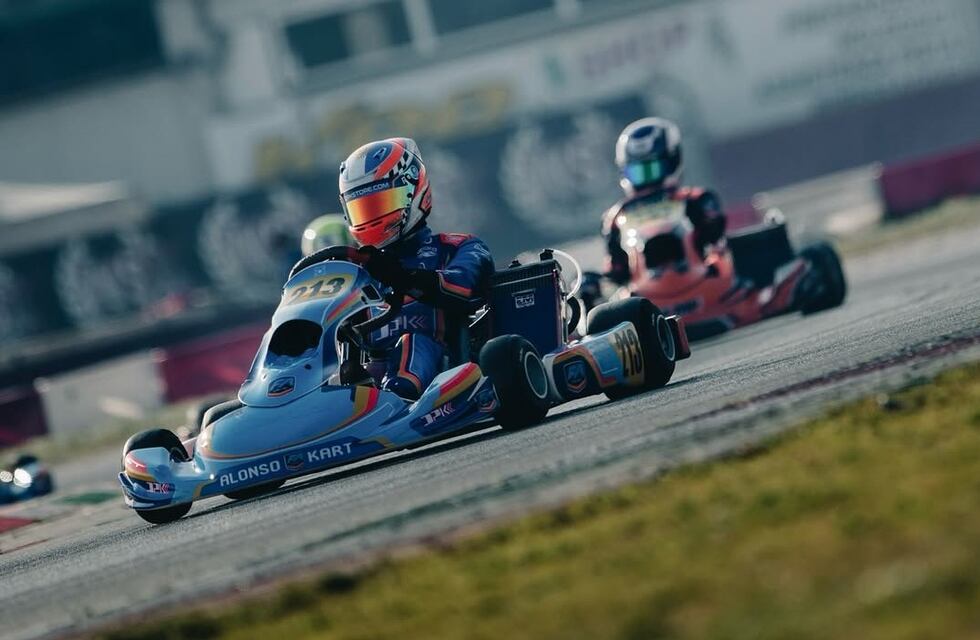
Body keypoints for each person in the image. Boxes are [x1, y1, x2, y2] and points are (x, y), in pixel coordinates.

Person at [335, 137, 494, 400]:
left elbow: (462, 286)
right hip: (371, 371)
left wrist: (404, 279)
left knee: (411, 343)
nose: (373, 218)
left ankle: (396, 398)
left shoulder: (458, 247)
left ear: (415, 192)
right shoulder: (357, 271)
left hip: (445, 363)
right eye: (363, 209)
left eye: (381, 204)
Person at [600, 117, 726, 285]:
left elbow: (717, 239)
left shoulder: (696, 199)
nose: (646, 181)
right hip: (645, 297)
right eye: (639, 173)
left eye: (652, 170)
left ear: (673, 161)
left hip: (707, 279)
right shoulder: (615, 218)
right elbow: (616, 270)